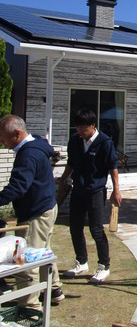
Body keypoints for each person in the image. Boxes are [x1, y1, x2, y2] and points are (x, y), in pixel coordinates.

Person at [0, 115, 64, 307]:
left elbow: (18, 186)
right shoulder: (36, 143)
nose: (3, 144)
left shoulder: (28, 155)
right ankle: (54, 290)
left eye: (4, 139)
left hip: (35, 212)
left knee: (25, 259)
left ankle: (30, 307)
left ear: (17, 134)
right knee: (43, 252)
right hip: (47, 206)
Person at [58, 108, 121, 283]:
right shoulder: (75, 140)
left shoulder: (105, 142)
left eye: (83, 128)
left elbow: (113, 167)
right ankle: (81, 261)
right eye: (77, 127)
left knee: (96, 229)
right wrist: (63, 180)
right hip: (78, 189)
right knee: (75, 226)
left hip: (96, 191)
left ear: (92, 125)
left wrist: (116, 190)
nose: (80, 131)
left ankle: (104, 266)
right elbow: (71, 163)